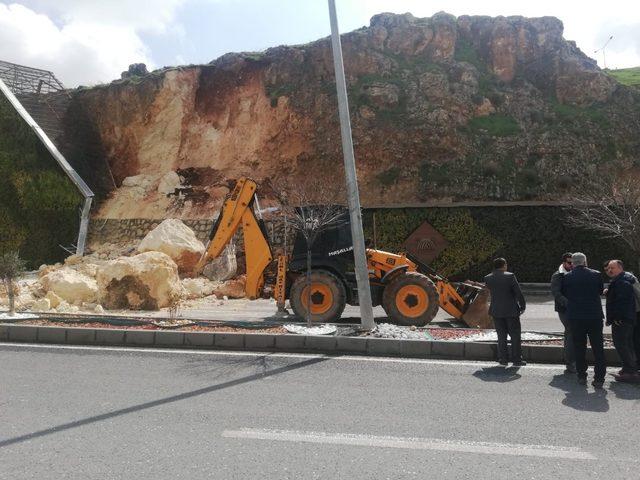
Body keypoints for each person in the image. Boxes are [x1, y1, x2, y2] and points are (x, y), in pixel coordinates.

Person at [561, 252, 606, 388]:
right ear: (585, 262)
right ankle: (599, 378)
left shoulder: (567, 277)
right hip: (594, 316)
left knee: (579, 347)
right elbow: (599, 291)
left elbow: (565, 293)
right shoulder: (596, 274)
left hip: (576, 316)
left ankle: (581, 375)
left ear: (573, 263)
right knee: (598, 347)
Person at [484, 257, 526, 366]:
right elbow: (518, 293)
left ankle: (503, 359)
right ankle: (517, 359)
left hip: (496, 310)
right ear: (504, 265)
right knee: (515, 335)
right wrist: (522, 306)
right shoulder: (510, 276)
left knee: (501, 336)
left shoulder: (488, 278)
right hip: (511, 310)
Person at [604, 260, 639, 379]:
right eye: (608, 268)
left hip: (622, 320)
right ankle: (628, 369)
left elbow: (623, 302)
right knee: (627, 344)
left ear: (620, 268)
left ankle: (630, 372)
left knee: (622, 345)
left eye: (612, 268)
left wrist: (618, 318)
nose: (609, 270)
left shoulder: (622, 281)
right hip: (628, 318)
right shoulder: (622, 279)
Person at [550, 252, 576, 374]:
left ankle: (572, 360)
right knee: (570, 333)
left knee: (573, 333)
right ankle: (570, 363)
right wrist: (569, 303)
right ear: (564, 262)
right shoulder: (557, 275)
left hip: (575, 309)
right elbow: (556, 293)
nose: (572, 265)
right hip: (564, 310)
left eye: (573, 263)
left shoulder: (575, 272)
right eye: (569, 263)